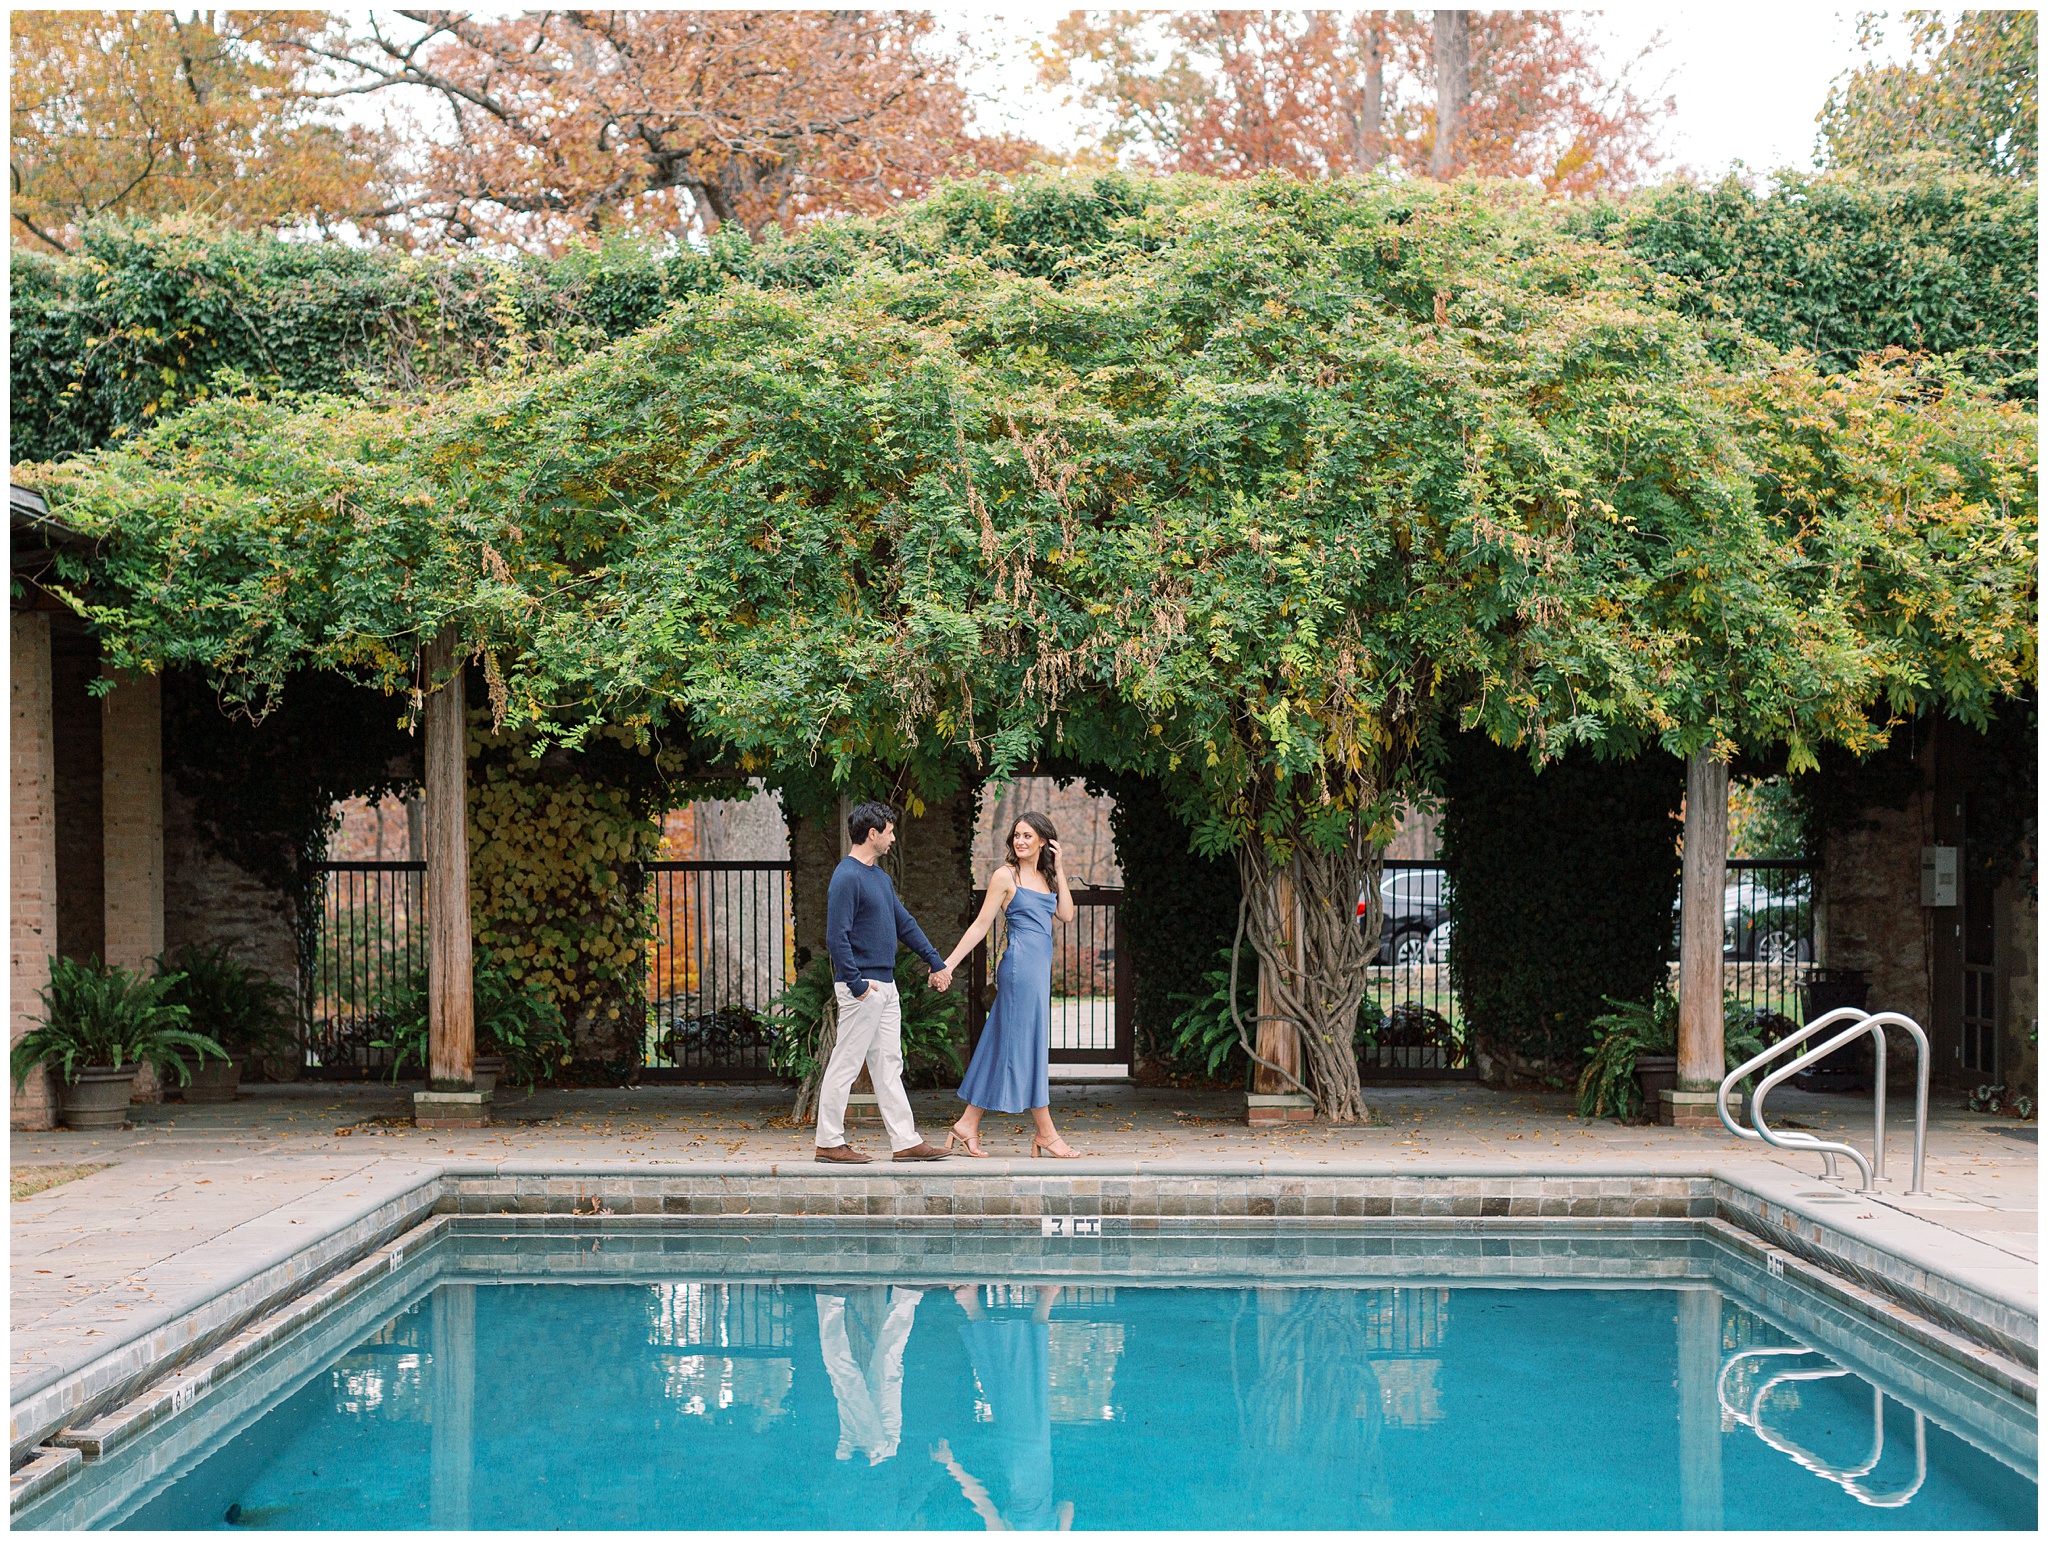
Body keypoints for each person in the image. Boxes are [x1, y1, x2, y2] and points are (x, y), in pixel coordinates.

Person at [815, 800, 955, 1164]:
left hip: (885, 986)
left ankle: (905, 1141)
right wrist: (858, 986)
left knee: (889, 1064)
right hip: (863, 988)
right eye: (889, 831)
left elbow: (904, 923)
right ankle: (829, 1141)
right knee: (845, 1063)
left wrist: (936, 962)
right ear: (873, 833)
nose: (893, 838)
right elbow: (836, 938)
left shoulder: (879, 877)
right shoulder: (846, 876)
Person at [941, 812, 1080, 1159]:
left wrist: (1059, 867)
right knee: (1026, 1047)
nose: (1019, 841)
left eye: (1028, 836)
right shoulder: (1006, 876)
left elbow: (1066, 914)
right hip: (1018, 970)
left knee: (1004, 1042)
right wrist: (949, 963)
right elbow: (980, 925)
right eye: (1016, 835)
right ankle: (1046, 1133)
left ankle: (967, 1125)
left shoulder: (1047, 877)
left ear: (1044, 841)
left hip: (1038, 972)